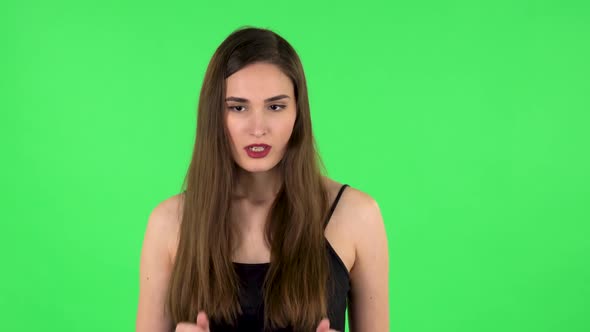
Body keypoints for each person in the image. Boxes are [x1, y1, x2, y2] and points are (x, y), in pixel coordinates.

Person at [136, 26, 389, 332]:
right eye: (238, 107)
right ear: (215, 114)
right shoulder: (169, 223)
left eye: (275, 106)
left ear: (298, 113)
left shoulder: (356, 216)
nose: (258, 128)